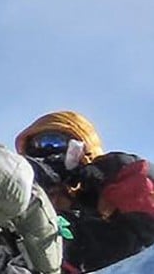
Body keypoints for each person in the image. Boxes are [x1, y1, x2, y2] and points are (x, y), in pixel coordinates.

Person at [16, 111, 154, 272]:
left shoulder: (106, 198)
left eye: (53, 142)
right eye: (34, 147)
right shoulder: (22, 206)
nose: (43, 152)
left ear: (82, 148)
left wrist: (121, 169)